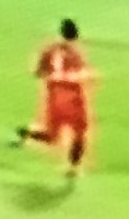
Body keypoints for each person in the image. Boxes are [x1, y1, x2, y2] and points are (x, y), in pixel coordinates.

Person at [13, 19, 94, 176]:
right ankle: (73, 167)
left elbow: (37, 72)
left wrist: (47, 73)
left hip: (55, 94)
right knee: (80, 132)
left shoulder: (49, 50)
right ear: (76, 35)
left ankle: (30, 134)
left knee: (53, 136)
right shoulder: (76, 52)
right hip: (73, 94)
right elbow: (80, 72)